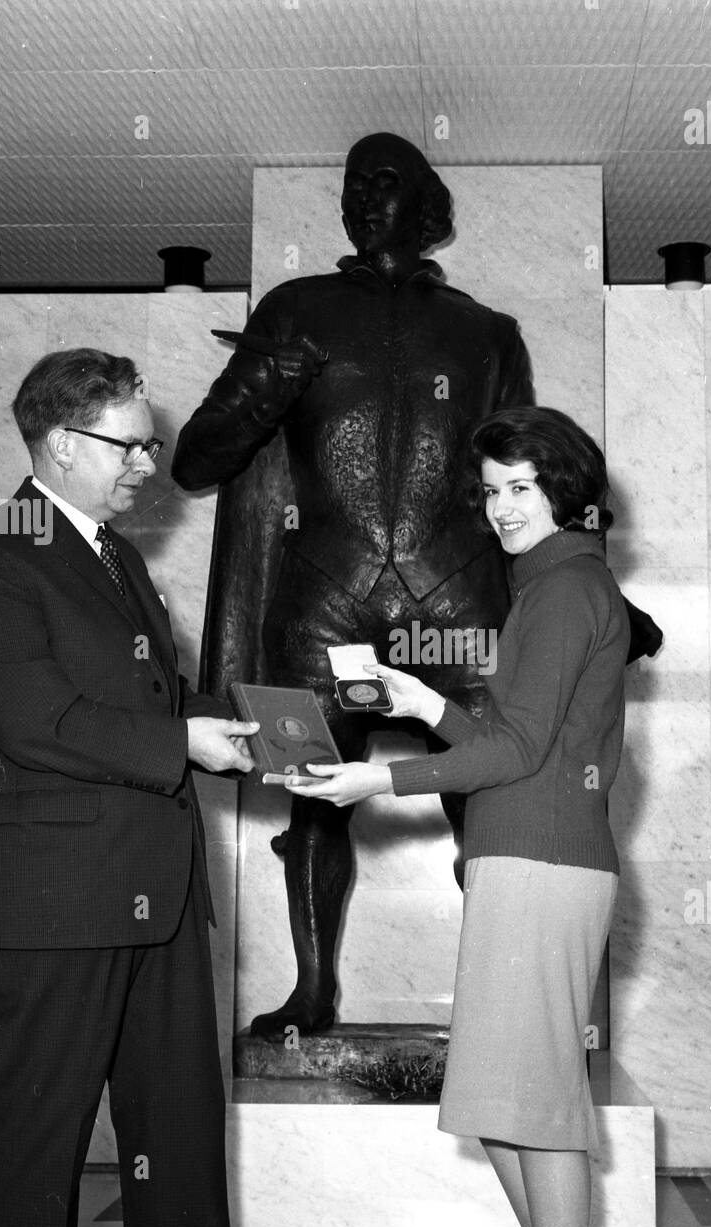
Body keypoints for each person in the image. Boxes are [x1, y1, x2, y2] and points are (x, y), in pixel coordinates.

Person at [171, 130, 534, 1038]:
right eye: (352, 185)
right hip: (325, 591)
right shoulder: (297, 309)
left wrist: (583, 589)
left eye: (384, 182)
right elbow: (194, 460)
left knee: (485, 796)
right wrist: (266, 384)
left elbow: (532, 479)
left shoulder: (487, 333)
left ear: (426, 202)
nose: (362, 198)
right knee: (310, 795)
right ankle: (313, 990)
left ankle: (500, 995)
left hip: (454, 593)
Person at [0, 348, 258, 1227]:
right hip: (57, 899)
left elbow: (149, 696)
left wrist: (253, 721)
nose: (147, 466)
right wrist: (183, 746)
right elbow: (31, 721)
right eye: (130, 446)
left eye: (147, 445)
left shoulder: (112, 557)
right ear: (63, 443)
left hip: (156, 885)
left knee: (180, 1134)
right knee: (40, 1134)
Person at [289, 405, 629, 1227]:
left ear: (567, 489)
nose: (503, 508)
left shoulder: (564, 591)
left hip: (541, 865)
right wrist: (417, 702)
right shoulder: (555, 588)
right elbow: (520, 738)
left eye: (522, 487)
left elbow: (516, 756)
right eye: (490, 492)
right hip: (527, 857)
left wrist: (376, 784)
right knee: (501, 1101)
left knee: (536, 1101)